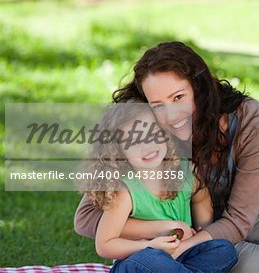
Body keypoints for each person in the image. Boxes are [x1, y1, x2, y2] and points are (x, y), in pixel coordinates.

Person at [75, 41, 259, 272]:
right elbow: (87, 218)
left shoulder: (250, 119)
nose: (170, 116)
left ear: (199, 86)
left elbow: (240, 218)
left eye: (178, 97)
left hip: (247, 210)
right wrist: (168, 232)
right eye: (157, 105)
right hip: (182, 228)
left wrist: (188, 247)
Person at [82, 102, 238, 272]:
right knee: (155, 259)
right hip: (139, 260)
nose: (147, 146)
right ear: (119, 154)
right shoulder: (126, 191)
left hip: (180, 256)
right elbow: (104, 245)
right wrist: (149, 245)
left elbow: (201, 198)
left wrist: (203, 230)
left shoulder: (185, 174)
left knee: (223, 249)